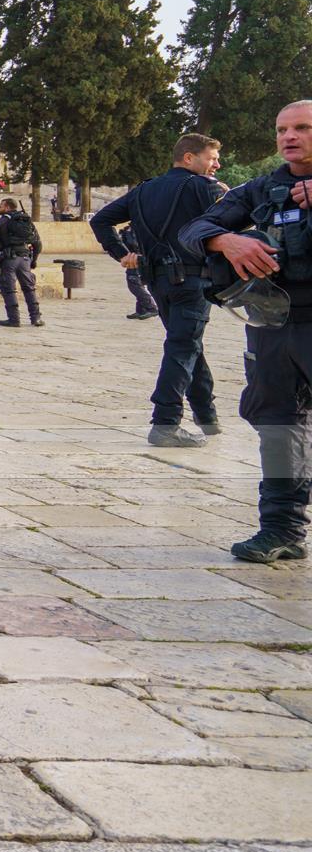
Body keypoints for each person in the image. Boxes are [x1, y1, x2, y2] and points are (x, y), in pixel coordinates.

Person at [179, 102, 312, 563]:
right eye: (282, 129)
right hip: (274, 326)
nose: (289, 136)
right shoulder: (263, 189)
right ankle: (281, 529)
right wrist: (226, 239)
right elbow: (193, 229)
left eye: (302, 128)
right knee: (276, 424)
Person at [93, 133, 226, 448]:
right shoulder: (203, 188)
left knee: (187, 343)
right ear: (189, 158)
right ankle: (165, 423)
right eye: (212, 158)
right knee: (183, 346)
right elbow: (235, 225)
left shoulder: (143, 190)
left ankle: (207, 415)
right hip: (193, 280)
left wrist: (121, 253)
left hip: (158, 282)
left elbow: (101, 220)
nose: (217, 164)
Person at [0, 197, 43, 327]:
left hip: (9, 258)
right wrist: (34, 260)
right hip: (25, 259)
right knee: (29, 288)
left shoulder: (3, 221)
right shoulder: (26, 220)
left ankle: (14, 319)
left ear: (6, 207)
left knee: (9, 289)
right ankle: (36, 318)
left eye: (1, 205)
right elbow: (38, 243)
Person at [118, 225, 160, 320]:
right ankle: (141, 309)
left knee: (134, 284)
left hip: (137, 259)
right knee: (135, 283)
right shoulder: (133, 229)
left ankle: (151, 307)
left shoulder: (139, 230)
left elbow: (135, 245)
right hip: (134, 258)